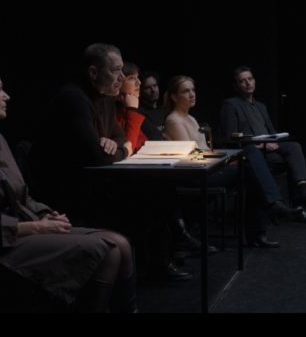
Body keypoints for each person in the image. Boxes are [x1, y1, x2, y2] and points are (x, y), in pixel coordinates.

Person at [0, 62, 138, 312]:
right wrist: (35, 226)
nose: (7, 96)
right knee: (108, 251)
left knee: (121, 243)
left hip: (21, 231)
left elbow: (22, 196)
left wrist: (44, 214)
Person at [32, 43, 190, 282]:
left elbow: (120, 137)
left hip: (96, 180)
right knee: (151, 194)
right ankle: (151, 265)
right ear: (93, 72)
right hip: (70, 190)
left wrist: (117, 144)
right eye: (116, 71)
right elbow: (98, 157)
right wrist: (122, 148)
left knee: (159, 188)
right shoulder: (74, 98)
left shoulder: (105, 98)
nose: (122, 78)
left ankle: (157, 261)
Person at [160, 74, 306, 247]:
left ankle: (265, 221)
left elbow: (204, 150)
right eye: (186, 91)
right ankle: (268, 214)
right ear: (174, 96)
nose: (192, 94)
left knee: (252, 166)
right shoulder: (174, 120)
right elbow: (191, 155)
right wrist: (224, 158)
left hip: (207, 168)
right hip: (196, 175)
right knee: (251, 163)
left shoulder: (190, 118)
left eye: (193, 90)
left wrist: (223, 157)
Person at [116, 64, 217, 258]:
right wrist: (132, 111)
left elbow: (156, 141)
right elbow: (129, 145)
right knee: (162, 188)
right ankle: (175, 244)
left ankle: (176, 242)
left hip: (152, 167)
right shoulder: (132, 113)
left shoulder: (188, 118)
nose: (138, 83)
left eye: (193, 90)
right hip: (132, 174)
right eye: (132, 78)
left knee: (163, 186)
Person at [220, 66, 306, 208]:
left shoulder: (261, 106)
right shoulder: (231, 104)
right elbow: (231, 137)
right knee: (285, 160)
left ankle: (303, 194)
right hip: (252, 151)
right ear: (236, 86)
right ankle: (286, 205)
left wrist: (274, 140)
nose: (248, 83)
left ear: (254, 81)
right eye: (242, 81)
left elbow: (271, 131)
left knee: (294, 147)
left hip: (269, 147)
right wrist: (261, 144)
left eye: (250, 79)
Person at [139, 70, 167, 138]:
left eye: (155, 85)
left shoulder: (165, 109)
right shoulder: (140, 113)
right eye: (147, 88)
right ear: (141, 91)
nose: (153, 90)